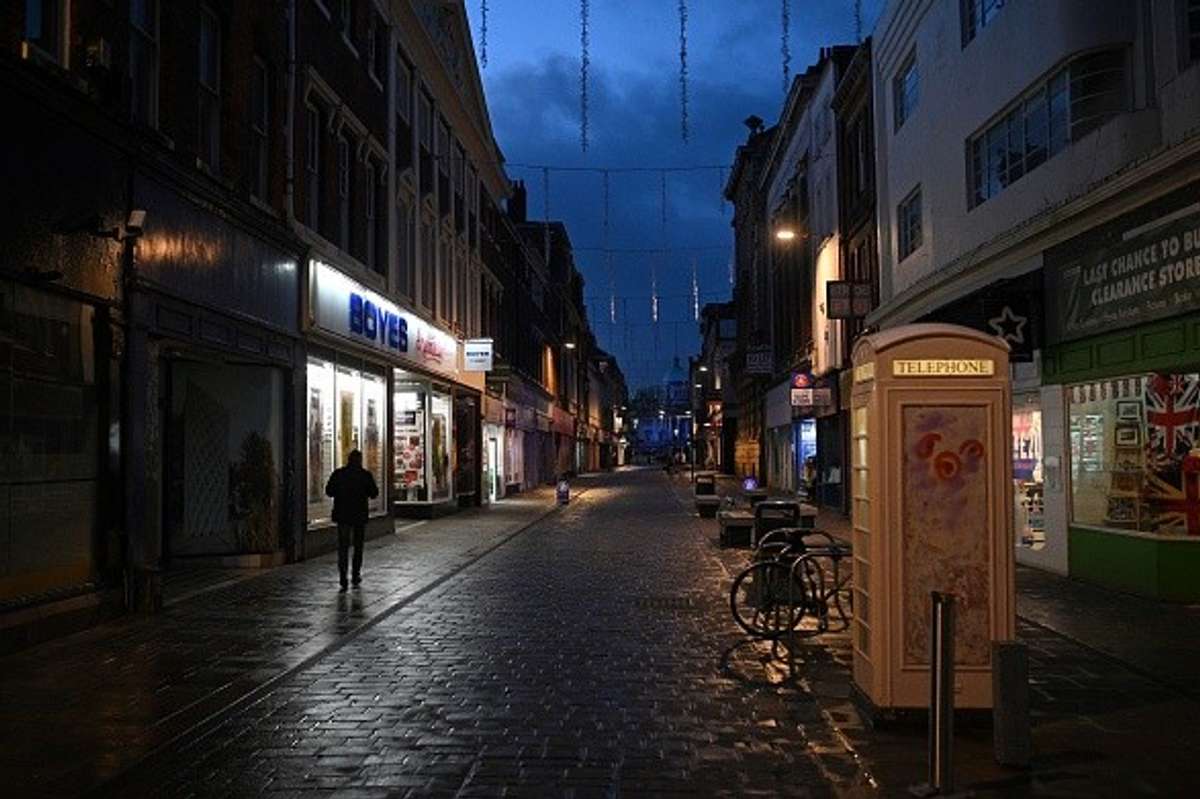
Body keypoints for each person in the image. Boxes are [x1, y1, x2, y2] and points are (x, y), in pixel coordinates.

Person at [325, 449, 379, 591]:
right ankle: (355, 574)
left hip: (342, 516)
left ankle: (343, 577)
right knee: (358, 546)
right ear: (360, 460)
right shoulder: (364, 475)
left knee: (343, 547)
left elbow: (329, 491)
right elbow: (374, 493)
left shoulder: (339, 474)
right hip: (359, 516)